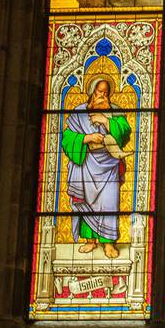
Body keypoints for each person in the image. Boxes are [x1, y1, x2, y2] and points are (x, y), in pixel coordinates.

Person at [62, 76, 131, 259]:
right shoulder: (79, 112)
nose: (103, 96)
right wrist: (87, 138)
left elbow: (125, 133)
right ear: (92, 92)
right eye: (100, 92)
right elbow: (67, 139)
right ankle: (90, 240)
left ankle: (108, 243)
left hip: (109, 166)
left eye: (106, 92)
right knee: (85, 202)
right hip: (85, 164)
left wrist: (106, 120)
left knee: (109, 202)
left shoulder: (115, 112)